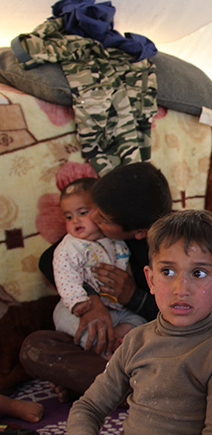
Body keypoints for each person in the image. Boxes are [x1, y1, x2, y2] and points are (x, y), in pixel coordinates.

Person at [67, 209, 212, 435]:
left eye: (198, 273)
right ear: (151, 280)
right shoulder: (136, 341)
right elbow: (88, 407)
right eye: (167, 272)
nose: (181, 289)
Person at [20, 162, 172, 398]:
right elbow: (49, 260)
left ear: (139, 233)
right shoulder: (102, 227)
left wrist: (133, 296)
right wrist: (92, 301)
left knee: (165, 344)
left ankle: (115, 387)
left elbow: (181, 315)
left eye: (103, 218)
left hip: (137, 334)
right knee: (35, 347)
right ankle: (125, 386)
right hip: (100, 336)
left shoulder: (171, 251)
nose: (91, 217)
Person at [52, 177, 145, 357]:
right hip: (82, 307)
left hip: (117, 309)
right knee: (64, 317)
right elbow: (64, 274)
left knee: (140, 323)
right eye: (69, 217)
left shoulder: (116, 240)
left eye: (82, 213)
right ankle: (104, 352)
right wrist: (79, 302)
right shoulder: (70, 246)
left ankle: (115, 342)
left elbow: (127, 268)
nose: (75, 221)